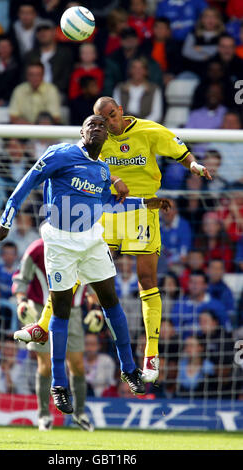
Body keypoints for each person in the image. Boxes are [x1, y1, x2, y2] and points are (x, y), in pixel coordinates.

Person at [0, 114, 170, 413]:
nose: (98, 128)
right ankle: (59, 384)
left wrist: (146, 203)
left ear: (106, 136)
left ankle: (129, 369)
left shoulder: (102, 170)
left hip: (91, 240)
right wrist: (6, 219)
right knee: (61, 309)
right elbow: (28, 181)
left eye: (102, 126)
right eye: (92, 125)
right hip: (60, 243)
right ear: (82, 131)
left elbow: (107, 204)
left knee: (111, 301)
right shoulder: (61, 153)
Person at [92, 96, 212, 384]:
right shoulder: (97, 138)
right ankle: (53, 320)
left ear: (120, 111)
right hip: (109, 210)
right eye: (103, 119)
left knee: (147, 279)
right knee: (94, 271)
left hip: (144, 209)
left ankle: (151, 353)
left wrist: (194, 166)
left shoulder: (146, 130)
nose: (109, 123)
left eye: (112, 115)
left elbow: (178, 150)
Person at [11, 237, 94, 431]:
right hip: (41, 311)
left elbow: (94, 280)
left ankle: (80, 414)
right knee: (45, 364)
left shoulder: (86, 244)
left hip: (73, 311)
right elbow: (21, 278)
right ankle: (44, 416)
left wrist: (95, 307)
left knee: (77, 364)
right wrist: (21, 302)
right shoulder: (37, 248)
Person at [112, 57, 163, 122]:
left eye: (141, 68)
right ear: (130, 70)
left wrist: (140, 125)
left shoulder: (154, 89)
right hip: (124, 125)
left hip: (146, 126)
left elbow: (156, 115)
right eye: (134, 68)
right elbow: (116, 111)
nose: (138, 71)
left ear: (146, 71)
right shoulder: (120, 88)